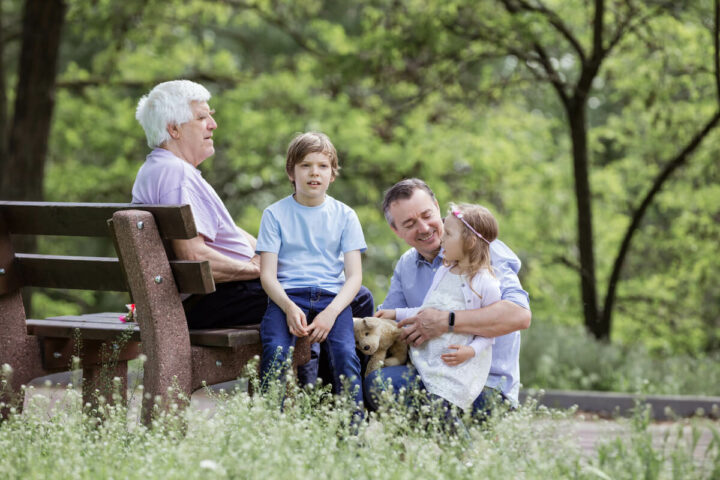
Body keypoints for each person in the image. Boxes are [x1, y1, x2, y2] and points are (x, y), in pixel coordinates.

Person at [132, 80, 373, 333]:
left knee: (319, 289)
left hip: (206, 297)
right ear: (174, 129)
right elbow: (194, 257)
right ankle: (331, 375)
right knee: (355, 299)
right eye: (202, 118)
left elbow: (227, 235)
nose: (213, 125)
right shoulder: (177, 175)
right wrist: (256, 268)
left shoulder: (156, 169)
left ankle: (315, 371)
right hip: (210, 299)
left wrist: (269, 256)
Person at [365, 178, 531, 413]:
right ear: (396, 230)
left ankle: (462, 447)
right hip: (433, 376)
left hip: (486, 385)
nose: (423, 228)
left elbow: (519, 316)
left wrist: (445, 322)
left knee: (435, 402)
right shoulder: (407, 265)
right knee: (377, 381)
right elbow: (392, 325)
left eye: (426, 215)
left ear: (436, 205)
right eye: (410, 223)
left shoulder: (482, 250)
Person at [256, 131, 365, 407]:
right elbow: (267, 274)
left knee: (344, 355)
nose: (314, 173)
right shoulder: (274, 214)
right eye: (305, 165)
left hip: (331, 299)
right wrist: (289, 307)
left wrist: (331, 313)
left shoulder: (345, 215)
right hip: (287, 299)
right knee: (276, 351)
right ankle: (270, 427)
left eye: (322, 166)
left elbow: (354, 278)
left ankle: (350, 429)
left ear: (332, 174)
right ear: (291, 172)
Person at [376, 203, 501, 411]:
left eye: (449, 234)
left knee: (440, 406)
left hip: (460, 365)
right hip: (431, 359)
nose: (441, 238)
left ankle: (460, 441)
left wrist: (470, 351)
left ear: (469, 242)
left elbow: (491, 330)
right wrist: (395, 312)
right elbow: (428, 309)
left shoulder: (485, 283)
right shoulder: (444, 272)